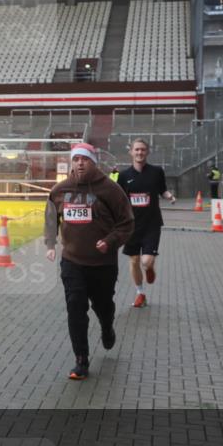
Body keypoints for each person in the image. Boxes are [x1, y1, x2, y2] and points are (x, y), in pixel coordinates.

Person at [45, 143, 134, 381]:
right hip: (72, 261)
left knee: (103, 306)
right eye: (76, 160)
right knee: (76, 308)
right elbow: (51, 216)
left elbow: (126, 222)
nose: (80, 163)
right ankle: (81, 360)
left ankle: (107, 327)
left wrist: (110, 241)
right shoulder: (61, 190)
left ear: (94, 162)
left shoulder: (110, 190)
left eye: (85, 159)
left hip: (103, 263)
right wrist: (50, 244)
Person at [116, 138, 175, 309]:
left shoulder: (156, 172)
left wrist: (169, 196)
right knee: (134, 261)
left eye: (143, 150)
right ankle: (140, 293)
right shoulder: (124, 175)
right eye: (137, 150)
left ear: (147, 152)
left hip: (151, 224)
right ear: (131, 152)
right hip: (132, 225)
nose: (140, 152)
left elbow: (163, 190)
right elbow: (119, 199)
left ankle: (149, 268)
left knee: (146, 261)